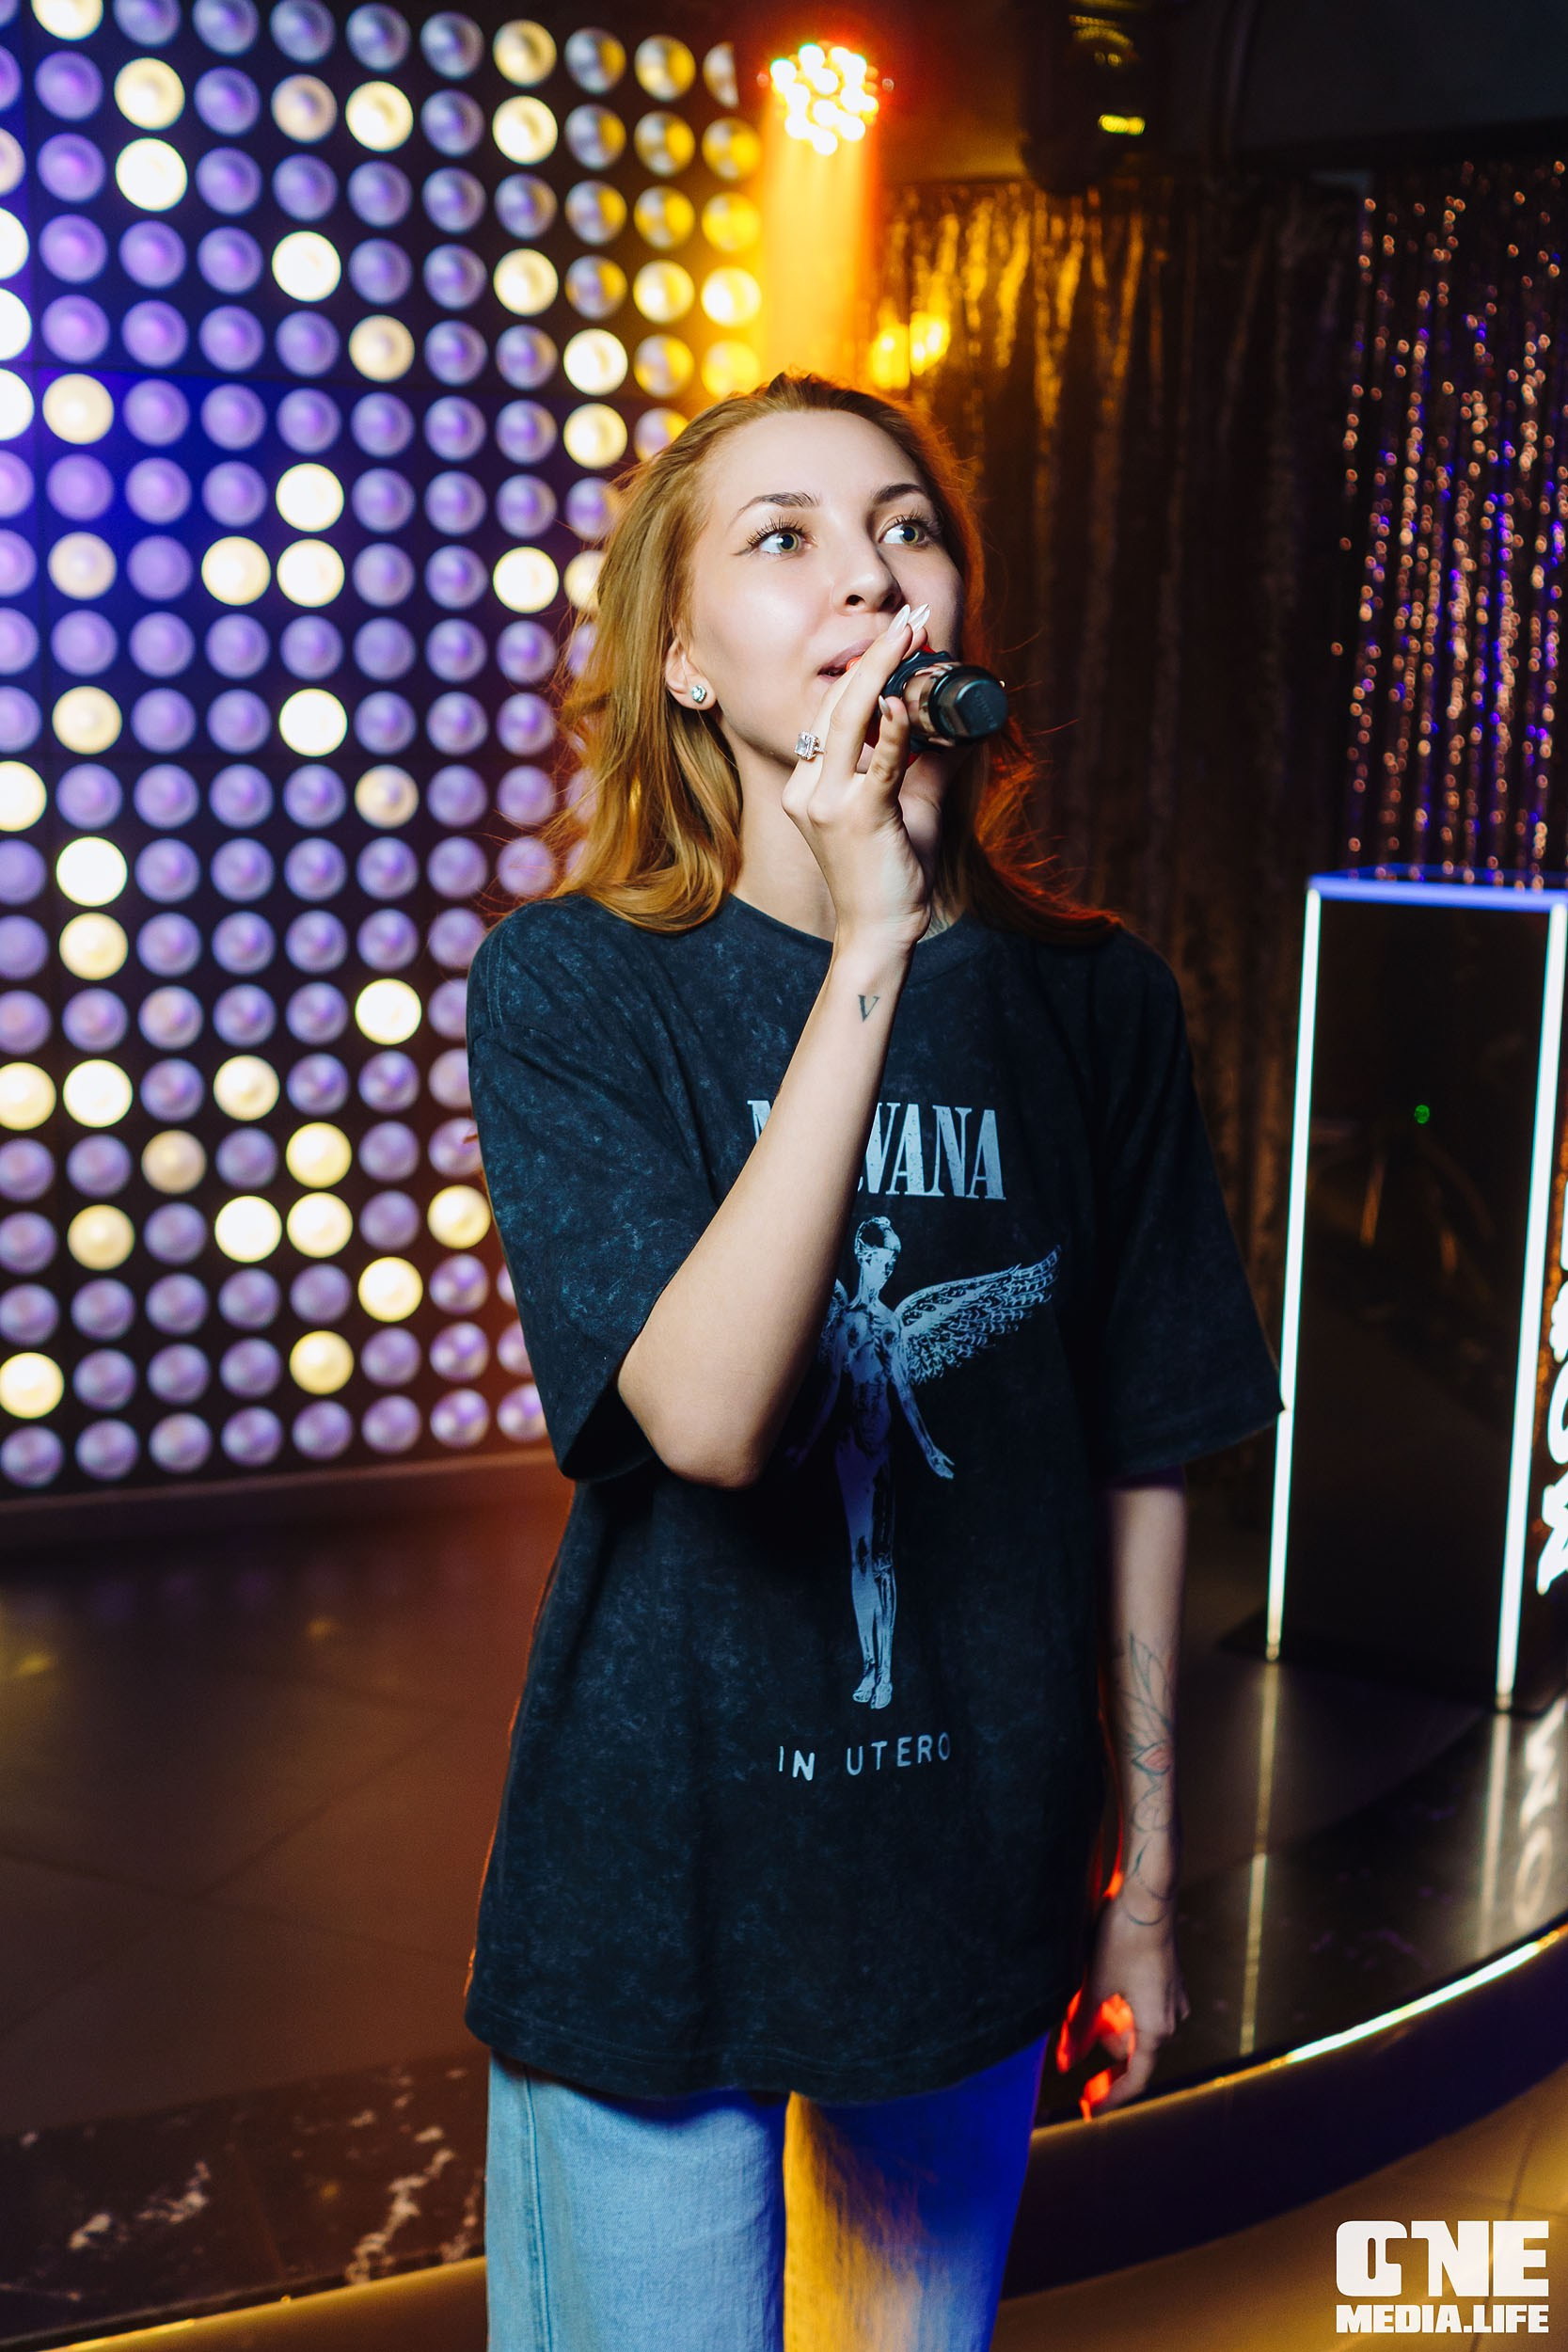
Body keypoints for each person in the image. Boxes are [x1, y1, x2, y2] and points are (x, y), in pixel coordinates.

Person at [464, 370, 1285, 2351]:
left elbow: (1140, 1462)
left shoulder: (1099, 1004)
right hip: (654, 1897)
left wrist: (1142, 1897)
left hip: (970, 1887)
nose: (869, 573)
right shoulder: (575, 984)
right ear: (681, 657)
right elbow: (709, 1419)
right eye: (787, 536)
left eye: (906, 528)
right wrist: (870, 942)